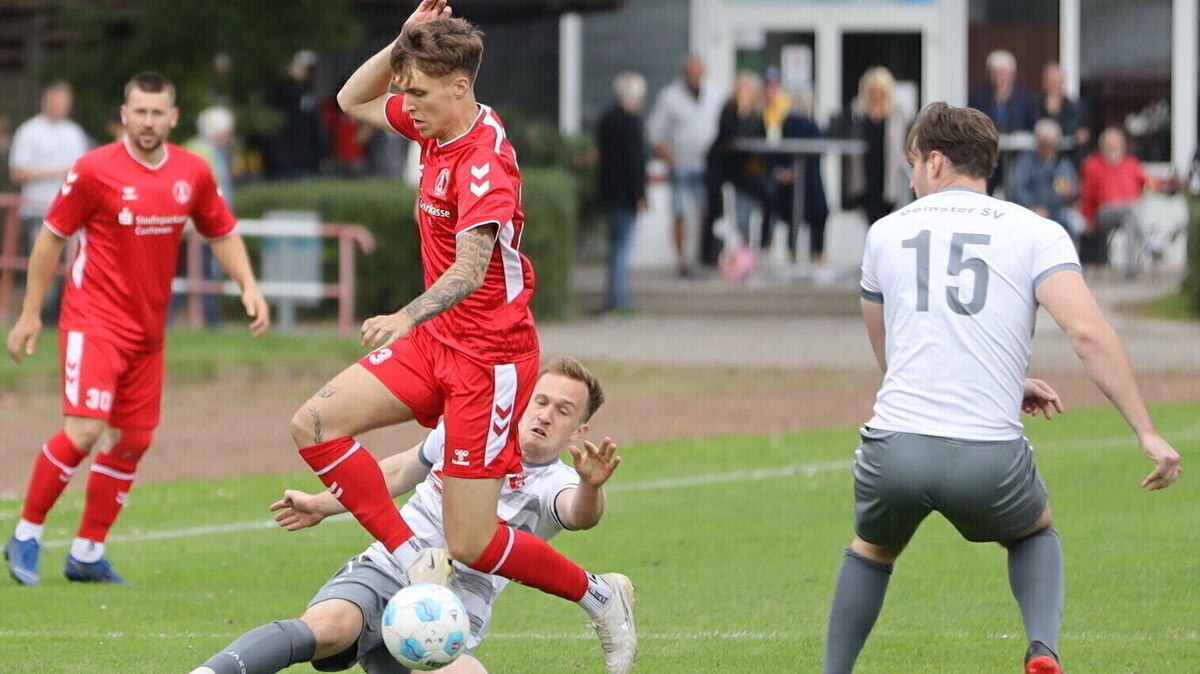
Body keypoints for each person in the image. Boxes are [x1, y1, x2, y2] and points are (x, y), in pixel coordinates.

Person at [310, 3, 636, 672]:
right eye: (407, 90)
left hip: (490, 360)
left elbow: (471, 267)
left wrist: (406, 315)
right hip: (436, 343)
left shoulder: (486, 160)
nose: (406, 104)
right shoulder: (433, 125)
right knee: (314, 425)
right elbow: (351, 98)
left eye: (420, 91)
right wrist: (403, 42)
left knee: (474, 538)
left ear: (460, 87)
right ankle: (410, 558)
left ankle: (600, 596)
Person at [823, 102, 1181, 674]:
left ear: (935, 162)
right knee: (1035, 531)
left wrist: (995, 379)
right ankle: (1042, 650)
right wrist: (1147, 431)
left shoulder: (884, 233)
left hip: (895, 448)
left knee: (872, 549)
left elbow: (894, 354)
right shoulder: (1035, 232)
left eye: (913, 163)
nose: (911, 176)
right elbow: (1087, 331)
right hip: (987, 455)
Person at [4, 72, 270, 586]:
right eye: (139, 111)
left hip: (149, 332)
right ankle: (26, 535)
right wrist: (31, 312)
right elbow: (50, 240)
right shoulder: (92, 170)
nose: (148, 121)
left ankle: (86, 553)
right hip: (93, 320)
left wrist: (249, 286)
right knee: (83, 429)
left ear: (173, 118)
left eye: (158, 112)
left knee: (134, 440)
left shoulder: (192, 172)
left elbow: (223, 232)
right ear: (124, 115)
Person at [191, 356, 619, 674]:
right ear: (523, 400)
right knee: (329, 628)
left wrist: (591, 486)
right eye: (540, 401)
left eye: (563, 410)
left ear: (579, 430)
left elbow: (579, 515)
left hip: (452, 607)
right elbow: (397, 472)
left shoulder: (557, 483)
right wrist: (322, 504)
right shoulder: (466, 431)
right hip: (391, 565)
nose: (545, 415)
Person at [8, 80, 91, 325]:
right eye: (56, 99)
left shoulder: (75, 132)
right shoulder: (29, 131)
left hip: (71, 213)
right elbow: (18, 172)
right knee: (44, 266)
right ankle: (35, 315)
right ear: (45, 100)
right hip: (38, 210)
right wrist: (59, 171)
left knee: (71, 266)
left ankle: (58, 317)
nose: (60, 105)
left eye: (64, 100)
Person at [647, 55, 723, 275]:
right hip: (681, 164)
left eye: (698, 73)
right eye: (690, 73)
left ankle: (703, 254)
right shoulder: (670, 97)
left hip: (706, 165)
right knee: (680, 213)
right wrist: (671, 159)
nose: (694, 77)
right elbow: (654, 133)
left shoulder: (715, 95)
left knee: (706, 213)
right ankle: (682, 261)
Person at [176, 105, 239, 327]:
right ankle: (213, 323)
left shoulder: (200, 149)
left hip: (196, 226)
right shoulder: (203, 152)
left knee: (191, 276)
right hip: (199, 227)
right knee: (201, 276)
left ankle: (170, 321)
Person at [1079, 127, 1168, 277]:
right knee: (1132, 210)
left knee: (1130, 218)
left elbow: (1147, 183)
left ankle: (1132, 270)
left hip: (1130, 212)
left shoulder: (1131, 164)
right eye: (1110, 145)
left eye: (1117, 145)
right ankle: (1150, 243)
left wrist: (1166, 186)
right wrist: (1087, 218)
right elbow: (1088, 194)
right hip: (1104, 213)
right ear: (1103, 147)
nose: (1114, 149)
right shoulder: (1092, 165)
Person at [595, 71, 648, 314]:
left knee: (615, 247)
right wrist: (640, 194)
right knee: (622, 249)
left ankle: (614, 297)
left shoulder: (607, 119)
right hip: (626, 195)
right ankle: (619, 300)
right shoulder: (631, 122)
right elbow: (635, 162)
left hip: (609, 193)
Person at [763, 80, 828, 266]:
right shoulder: (807, 124)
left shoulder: (785, 123)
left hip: (794, 180)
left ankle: (793, 253)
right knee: (814, 215)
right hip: (805, 181)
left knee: (794, 217)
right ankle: (817, 255)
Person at [705, 71, 769, 252]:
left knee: (763, 198)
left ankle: (758, 243)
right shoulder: (728, 109)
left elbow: (760, 139)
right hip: (722, 165)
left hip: (744, 168)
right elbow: (729, 135)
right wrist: (741, 112)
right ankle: (714, 247)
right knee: (716, 206)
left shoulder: (757, 112)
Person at [846, 66, 911, 226]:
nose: (875, 94)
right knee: (869, 217)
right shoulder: (858, 114)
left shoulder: (897, 114)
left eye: (879, 90)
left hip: (888, 172)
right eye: (872, 90)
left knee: (886, 218)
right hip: (865, 172)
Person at [969, 50, 1039, 194]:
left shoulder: (1024, 98)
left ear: (1012, 74)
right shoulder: (979, 96)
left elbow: (1033, 125)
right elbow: (973, 124)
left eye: (1003, 72)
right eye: (995, 72)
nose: (999, 77)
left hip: (1017, 155)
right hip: (988, 154)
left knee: (1017, 184)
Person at [1009, 118, 1081, 242]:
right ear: (1038, 141)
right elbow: (1017, 188)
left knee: (1074, 222)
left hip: (1059, 210)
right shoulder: (1025, 161)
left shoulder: (1063, 163)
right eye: (1046, 142)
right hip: (1030, 211)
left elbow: (1074, 192)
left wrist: (1070, 192)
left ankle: (1072, 258)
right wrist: (1033, 206)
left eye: (1053, 142)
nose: (1050, 146)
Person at [265, 50, 327, 179]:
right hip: (284, 161)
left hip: (304, 159)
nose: (304, 72)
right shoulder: (279, 93)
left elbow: (315, 127)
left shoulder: (307, 94)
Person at [1038, 62, 1088, 164]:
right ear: (1044, 83)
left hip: (1066, 158)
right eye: (1050, 81)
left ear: (1062, 83)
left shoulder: (1073, 107)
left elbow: (1077, 130)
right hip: (1038, 158)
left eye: (1056, 81)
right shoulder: (1035, 105)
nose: (1053, 85)